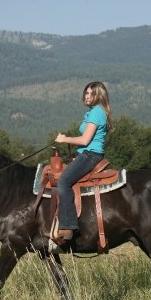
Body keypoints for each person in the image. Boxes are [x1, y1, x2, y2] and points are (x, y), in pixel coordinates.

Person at [54, 81, 113, 241]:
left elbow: (85, 140)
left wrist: (64, 139)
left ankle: (68, 226)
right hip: (85, 154)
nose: (86, 96)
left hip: (90, 154)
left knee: (63, 182)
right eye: (85, 93)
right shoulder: (95, 112)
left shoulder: (97, 113)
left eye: (90, 93)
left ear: (98, 95)